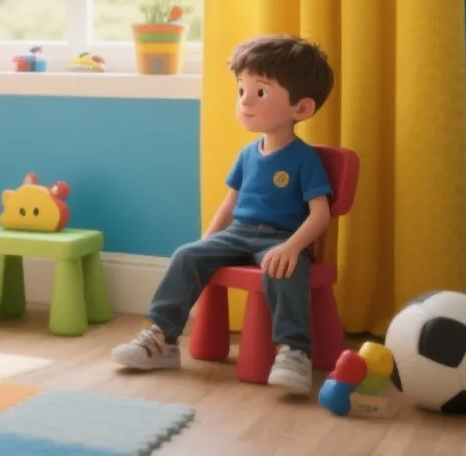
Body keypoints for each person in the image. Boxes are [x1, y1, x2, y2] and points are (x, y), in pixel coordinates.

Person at [112, 34, 335, 394]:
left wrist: (293, 247)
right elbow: (230, 203)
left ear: (302, 108)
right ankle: (161, 339)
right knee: (187, 254)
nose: (245, 101)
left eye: (260, 93)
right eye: (241, 90)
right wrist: (208, 240)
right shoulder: (248, 153)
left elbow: (320, 214)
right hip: (240, 233)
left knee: (285, 270)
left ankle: (294, 352)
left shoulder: (304, 159)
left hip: (281, 238)